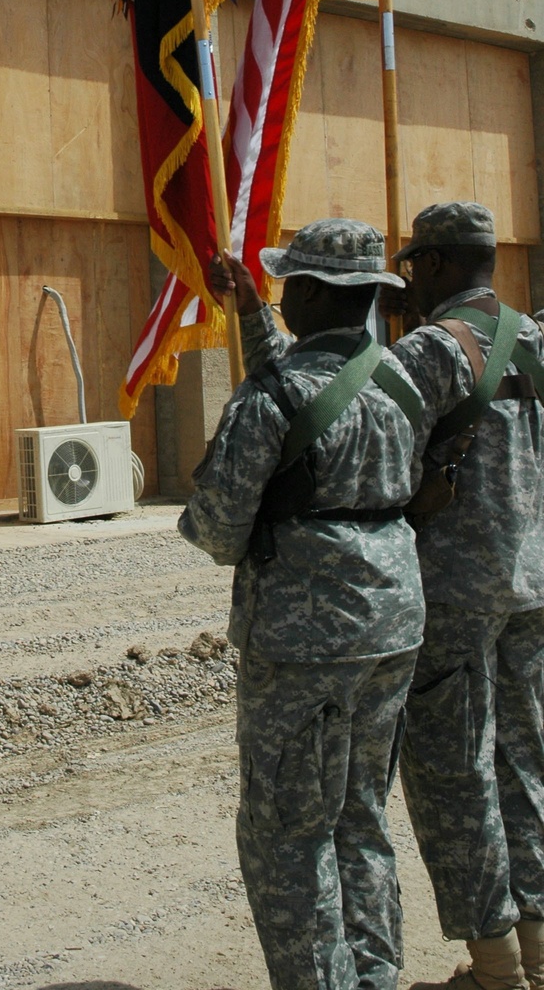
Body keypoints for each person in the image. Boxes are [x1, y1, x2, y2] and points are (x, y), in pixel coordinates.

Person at [180, 219, 426, 990]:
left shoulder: (267, 400)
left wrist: (216, 477)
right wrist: (250, 309)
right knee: (360, 818)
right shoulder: (401, 380)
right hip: (392, 624)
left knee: (290, 832)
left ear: (316, 294)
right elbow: (310, 382)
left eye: (289, 286)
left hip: (303, 638)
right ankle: (374, 976)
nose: (282, 296)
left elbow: (218, 532)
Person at [385, 202, 544, 990]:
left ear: (439, 265)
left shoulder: (430, 350)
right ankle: (540, 950)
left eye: (415, 266)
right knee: (525, 760)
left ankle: (496, 967)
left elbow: (376, 456)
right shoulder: (535, 339)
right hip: (532, 583)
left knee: (455, 772)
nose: (409, 281)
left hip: (452, 589)